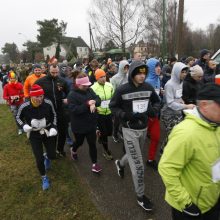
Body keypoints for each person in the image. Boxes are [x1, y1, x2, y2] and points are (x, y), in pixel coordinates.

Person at [159, 83, 220, 220]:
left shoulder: (216, 125)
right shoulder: (186, 133)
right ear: (204, 105)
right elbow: (167, 168)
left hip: (212, 199)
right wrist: (186, 203)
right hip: (192, 206)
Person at [110, 61, 161, 211]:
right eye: (139, 73)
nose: (142, 76)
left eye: (144, 73)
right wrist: (125, 115)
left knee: (134, 156)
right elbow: (113, 106)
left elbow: (157, 102)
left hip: (143, 129)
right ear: (132, 73)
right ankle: (140, 197)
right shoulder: (122, 90)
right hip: (129, 130)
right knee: (139, 165)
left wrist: (153, 111)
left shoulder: (148, 87)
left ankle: (120, 164)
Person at [16, 84, 57, 190]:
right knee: (38, 159)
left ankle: (47, 156)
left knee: (53, 155)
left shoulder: (48, 103)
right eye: (37, 97)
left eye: (41, 96)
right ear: (31, 96)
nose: (40, 99)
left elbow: (54, 114)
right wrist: (23, 125)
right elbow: (18, 117)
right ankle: (44, 177)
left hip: (47, 131)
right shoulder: (24, 106)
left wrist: (53, 127)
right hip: (34, 134)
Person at [67, 73, 102, 173]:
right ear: (78, 85)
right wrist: (87, 104)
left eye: (87, 84)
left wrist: (94, 102)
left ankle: (94, 164)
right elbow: (75, 110)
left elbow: (98, 99)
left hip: (91, 123)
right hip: (79, 125)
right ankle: (73, 150)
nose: (87, 86)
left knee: (92, 144)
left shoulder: (89, 90)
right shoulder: (72, 95)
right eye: (84, 85)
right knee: (79, 142)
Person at [160, 62, 195, 153]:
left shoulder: (181, 82)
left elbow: (178, 96)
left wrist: (181, 101)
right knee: (173, 134)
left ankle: (167, 150)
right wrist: (186, 106)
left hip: (178, 113)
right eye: (182, 72)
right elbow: (170, 103)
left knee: (177, 134)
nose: (184, 74)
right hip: (168, 114)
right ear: (176, 72)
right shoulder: (169, 84)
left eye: (185, 72)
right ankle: (165, 152)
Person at [35, 65, 69, 157]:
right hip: (48, 112)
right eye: (53, 72)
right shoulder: (41, 81)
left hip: (61, 110)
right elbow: (34, 94)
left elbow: (69, 92)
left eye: (56, 72)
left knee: (63, 131)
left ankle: (60, 150)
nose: (55, 74)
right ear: (48, 70)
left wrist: (67, 99)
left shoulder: (62, 81)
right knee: (51, 132)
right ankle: (51, 150)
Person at [91, 69, 114, 160]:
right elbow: (92, 101)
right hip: (99, 114)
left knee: (109, 132)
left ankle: (100, 135)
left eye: (104, 76)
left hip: (109, 112)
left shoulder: (110, 85)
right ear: (97, 78)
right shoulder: (93, 88)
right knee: (104, 133)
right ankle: (106, 151)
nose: (103, 78)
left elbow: (113, 97)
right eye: (101, 77)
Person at [145, 58, 162, 170]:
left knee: (156, 137)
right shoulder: (146, 82)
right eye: (156, 66)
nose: (159, 68)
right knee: (138, 140)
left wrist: (161, 91)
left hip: (155, 115)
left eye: (160, 66)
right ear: (150, 68)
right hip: (144, 117)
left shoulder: (157, 79)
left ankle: (150, 159)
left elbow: (156, 95)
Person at [110, 60, 129, 142]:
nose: (126, 69)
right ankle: (114, 134)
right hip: (118, 102)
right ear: (121, 67)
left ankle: (121, 132)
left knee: (125, 119)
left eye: (128, 67)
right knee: (117, 121)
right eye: (125, 67)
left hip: (126, 101)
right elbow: (113, 91)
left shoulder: (129, 77)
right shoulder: (114, 78)